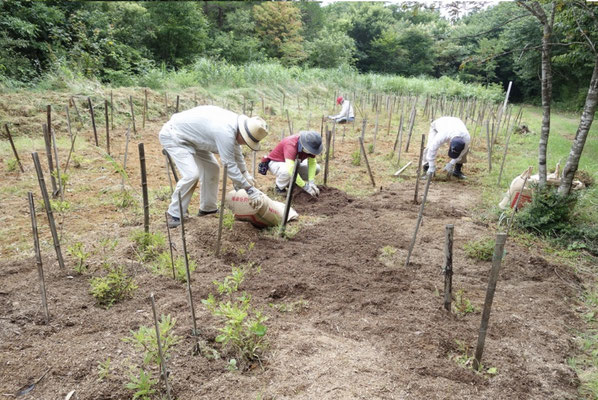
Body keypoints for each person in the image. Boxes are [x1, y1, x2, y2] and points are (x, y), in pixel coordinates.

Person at [159, 105, 269, 228]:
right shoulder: (225, 132)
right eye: (247, 141)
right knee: (191, 175)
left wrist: (245, 173)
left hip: (195, 139)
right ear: (243, 134)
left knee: (212, 168)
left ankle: (208, 209)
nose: (245, 144)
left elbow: (236, 151)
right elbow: (229, 165)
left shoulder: (236, 127)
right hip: (175, 135)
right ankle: (174, 213)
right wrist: (249, 189)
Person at [258, 131, 323, 197]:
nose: (311, 152)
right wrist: (305, 187)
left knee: (317, 168)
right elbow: (291, 169)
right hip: (276, 162)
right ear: (304, 146)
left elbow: (312, 163)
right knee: (287, 171)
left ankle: (292, 182)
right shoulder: (291, 144)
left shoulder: (310, 146)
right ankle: (279, 188)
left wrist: (311, 182)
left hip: (293, 163)